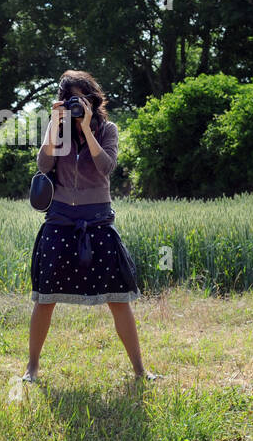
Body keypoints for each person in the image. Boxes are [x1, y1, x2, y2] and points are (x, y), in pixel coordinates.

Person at [24, 70, 159, 384]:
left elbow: (106, 167)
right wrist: (55, 126)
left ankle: (140, 370)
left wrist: (86, 127)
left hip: (97, 221)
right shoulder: (58, 131)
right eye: (72, 99)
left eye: (82, 99)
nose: (78, 105)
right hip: (59, 220)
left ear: (93, 100)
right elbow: (43, 166)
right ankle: (31, 368)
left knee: (118, 298)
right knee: (45, 297)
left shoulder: (107, 129)